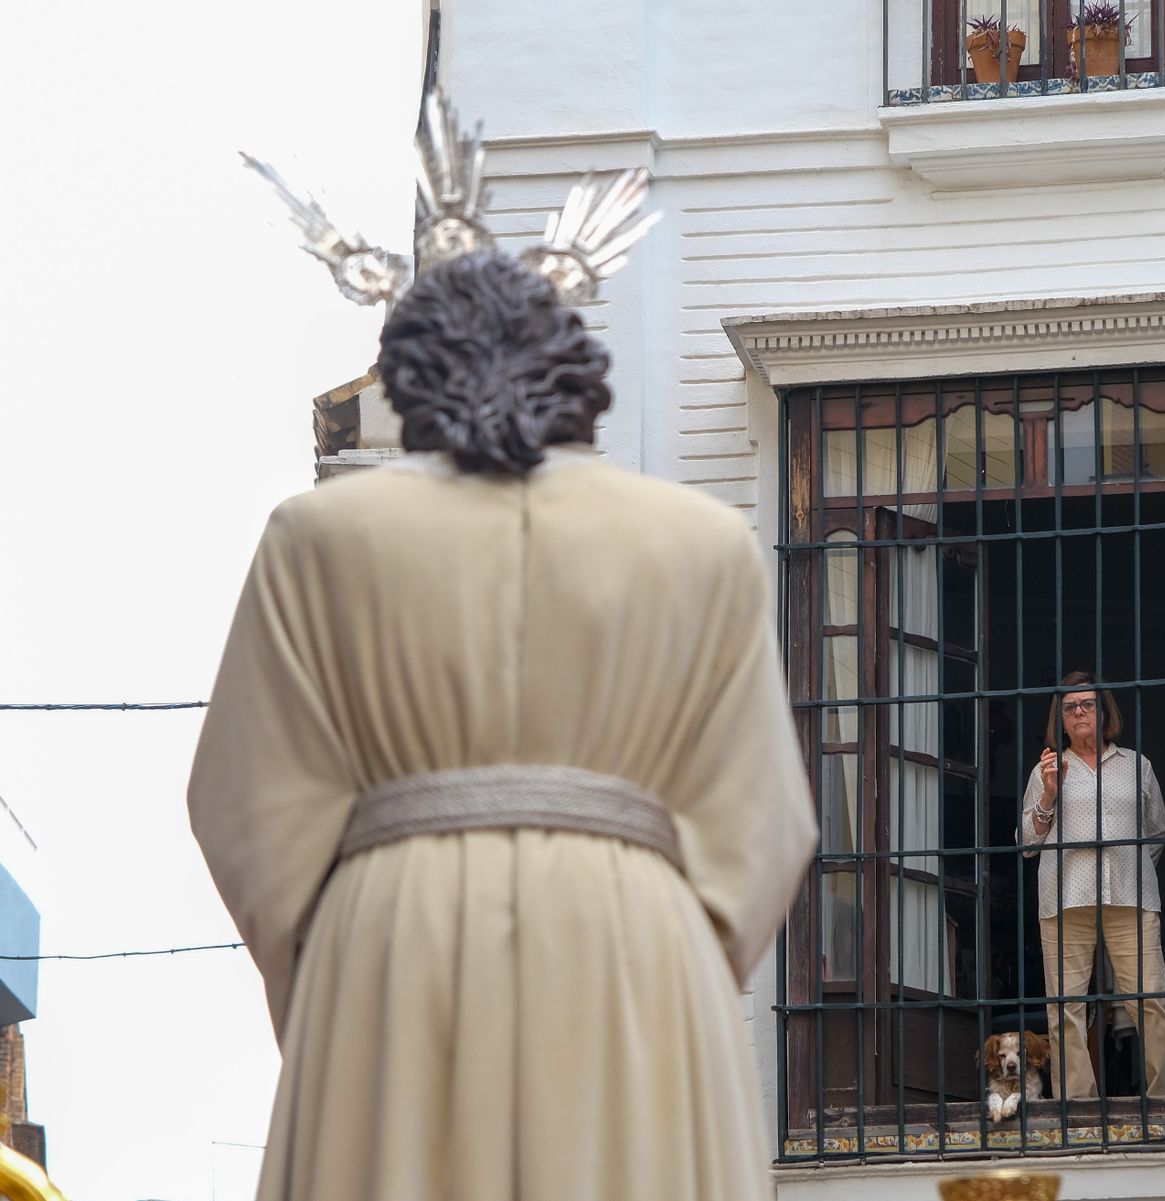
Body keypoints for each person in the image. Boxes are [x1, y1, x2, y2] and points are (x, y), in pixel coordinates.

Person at [190, 127, 818, 1201]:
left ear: (411, 370)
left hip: (394, 940)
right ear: (572, 367)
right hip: (633, 946)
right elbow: (762, 828)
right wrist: (675, 979)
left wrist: (339, 981)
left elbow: (250, 814)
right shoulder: (699, 543)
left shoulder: (319, 535)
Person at [1018, 671, 1165, 1100]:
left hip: (1130, 896)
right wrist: (1049, 797)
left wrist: (1134, 867)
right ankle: (1077, 1105)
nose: (1080, 713)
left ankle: (1164, 1100)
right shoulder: (1047, 770)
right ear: (1061, 720)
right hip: (1066, 899)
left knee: (1152, 999)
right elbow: (1028, 844)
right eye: (1070, 708)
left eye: (1087, 704)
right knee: (1066, 1008)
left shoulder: (1136, 766)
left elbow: (1157, 833)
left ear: (1104, 710)